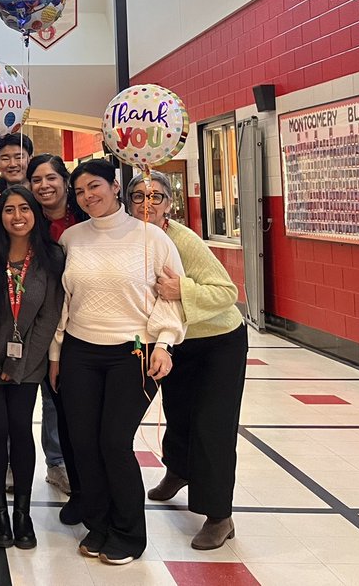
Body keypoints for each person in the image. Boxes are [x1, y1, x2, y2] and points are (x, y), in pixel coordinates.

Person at [50, 159, 186, 566]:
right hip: (78, 351)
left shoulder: (152, 237)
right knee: (84, 444)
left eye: (95, 187)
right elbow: (64, 302)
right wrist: (56, 355)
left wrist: (164, 343)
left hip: (133, 352)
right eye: (79, 191)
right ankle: (100, 523)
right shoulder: (72, 239)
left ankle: (129, 532)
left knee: (113, 441)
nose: (88, 196)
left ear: (114, 186)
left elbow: (170, 296)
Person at [130, 171, 247, 551]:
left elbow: (226, 292)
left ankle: (218, 515)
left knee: (211, 424)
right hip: (173, 341)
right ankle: (178, 470)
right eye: (138, 196)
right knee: (178, 411)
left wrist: (183, 288)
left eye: (157, 196)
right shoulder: (129, 239)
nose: (147, 203)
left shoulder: (183, 240)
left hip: (216, 341)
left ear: (169, 204)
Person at [0, 186, 64, 550]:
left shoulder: (51, 255)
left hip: (29, 362)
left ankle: (22, 512)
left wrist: (19, 362)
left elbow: (50, 314)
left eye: (25, 208)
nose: (17, 216)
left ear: (36, 213)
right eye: (9, 209)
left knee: (21, 427)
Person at [26, 154, 88, 511]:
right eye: (37, 180)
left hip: (75, 323)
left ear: (65, 181)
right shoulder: (25, 220)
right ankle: (11, 464)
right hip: (31, 320)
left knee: (58, 397)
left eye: (51, 178)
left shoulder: (84, 220)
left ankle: (58, 463)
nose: (44, 186)